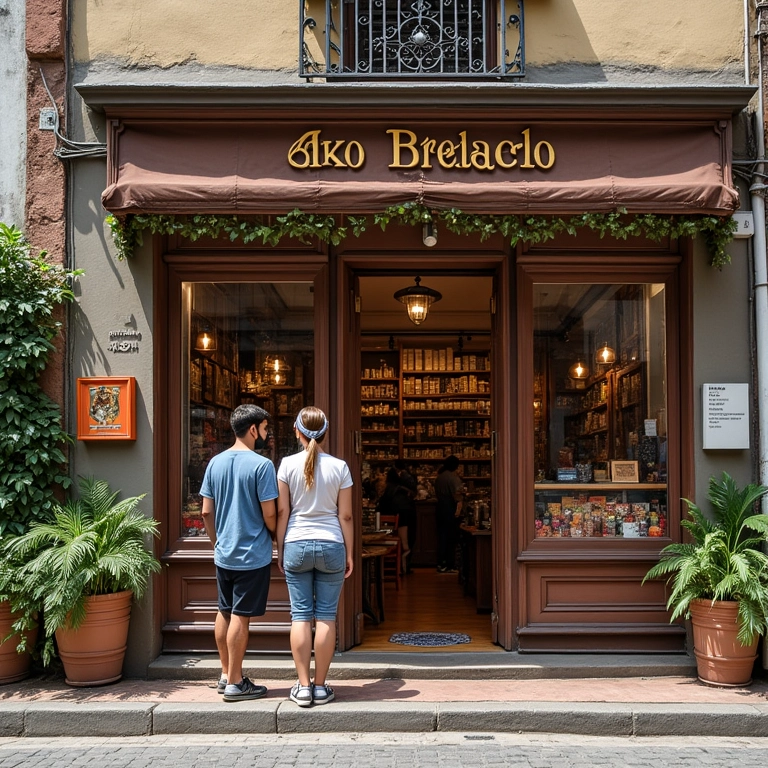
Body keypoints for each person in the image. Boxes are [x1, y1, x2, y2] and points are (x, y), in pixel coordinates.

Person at [276, 406, 354, 707]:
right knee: (325, 617)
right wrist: (347, 551)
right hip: (332, 543)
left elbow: (283, 511)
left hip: (296, 542)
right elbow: (345, 516)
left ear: (297, 431)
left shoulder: (285, 465)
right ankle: (321, 687)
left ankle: (303, 686)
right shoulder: (340, 467)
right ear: (325, 434)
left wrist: (280, 548)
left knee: (300, 616)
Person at [200, 404, 278, 702]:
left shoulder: (215, 463)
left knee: (224, 611)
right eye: (266, 429)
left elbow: (206, 511)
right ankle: (235, 682)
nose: (267, 435)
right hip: (252, 553)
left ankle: (224, 674)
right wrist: (274, 537)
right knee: (241, 618)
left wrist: (216, 542)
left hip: (225, 553)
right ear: (253, 429)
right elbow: (269, 514)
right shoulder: (262, 465)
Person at [434, 454, 463, 573]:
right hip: (450, 508)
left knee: (442, 537)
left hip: (440, 508)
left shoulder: (440, 477)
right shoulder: (453, 478)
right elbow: (458, 497)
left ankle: (441, 563)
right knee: (452, 537)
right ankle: (451, 565)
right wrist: (458, 512)